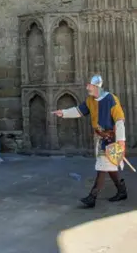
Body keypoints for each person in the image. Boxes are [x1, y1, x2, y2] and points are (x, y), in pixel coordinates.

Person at [53, 74, 128, 208]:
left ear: (96, 86)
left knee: (102, 167)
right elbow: (79, 111)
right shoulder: (90, 100)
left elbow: (119, 120)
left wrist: (121, 141)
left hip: (110, 140)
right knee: (108, 166)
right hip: (99, 139)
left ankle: (92, 197)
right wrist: (63, 113)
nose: (87, 88)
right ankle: (122, 191)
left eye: (90, 86)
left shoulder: (111, 99)